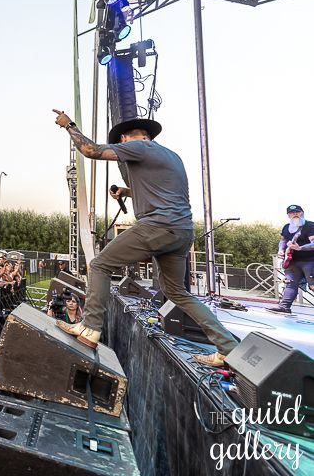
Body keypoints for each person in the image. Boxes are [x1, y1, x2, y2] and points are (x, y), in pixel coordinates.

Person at [52, 109, 238, 367]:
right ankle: (228, 346)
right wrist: (126, 192)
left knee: (99, 265)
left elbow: (91, 151)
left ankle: (90, 328)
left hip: (157, 226)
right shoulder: (171, 156)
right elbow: (161, 190)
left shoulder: (138, 147)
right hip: (181, 231)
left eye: (121, 143)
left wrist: (68, 125)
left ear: (127, 138)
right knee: (177, 292)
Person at [269, 204, 314, 315]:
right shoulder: (286, 227)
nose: (295, 215)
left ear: (302, 213)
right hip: (292, 261)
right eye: (292, 213)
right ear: (288, 215)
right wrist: (281, 250)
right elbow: (283, 240)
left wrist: (300, 248)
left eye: (297, 212)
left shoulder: (310, 226)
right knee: (290, 283)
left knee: (313, 285)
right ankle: (284, 307)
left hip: (310, 260)